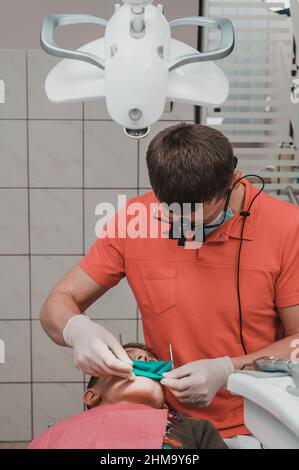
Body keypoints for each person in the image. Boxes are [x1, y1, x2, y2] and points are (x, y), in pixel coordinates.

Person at [40, 123, 299, 448]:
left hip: (260, 421)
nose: (188, 233)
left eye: (201, 221)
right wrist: (75, 329)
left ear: (233, 178)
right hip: (168, 423)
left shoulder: (287, 228)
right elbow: (57, 303)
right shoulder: (135, 219)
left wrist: (228, 369)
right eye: (175, 217)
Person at [28, 343, 227, 449]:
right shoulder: (60, 432)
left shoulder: (195, 429)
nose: (143, 360)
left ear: (164, 407)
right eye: (129, 356)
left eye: (152, 361)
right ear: (92, 396)